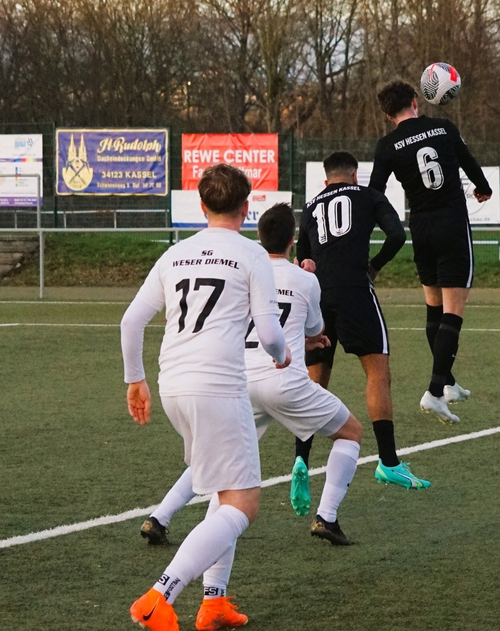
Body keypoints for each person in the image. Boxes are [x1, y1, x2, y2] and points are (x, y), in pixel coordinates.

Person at [122, 163, 290, 631]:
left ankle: (214, 601)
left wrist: (135, 380)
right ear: (246, 208)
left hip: (172, 383)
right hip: (218, 386)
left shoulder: (176, 252)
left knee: (222, 491)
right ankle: (160, 597)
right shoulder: (251, 253)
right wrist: (282, 356)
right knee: (243, 504)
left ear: (201, 206)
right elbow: (270, 332)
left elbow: (131, 322)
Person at [139, 203, 366, 551]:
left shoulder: (243, 269)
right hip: (283, 380)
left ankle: (159, 517)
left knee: (213, 455)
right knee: (351, 433)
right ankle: (327, 517)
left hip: (241, 381)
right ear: (292, 240)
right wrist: (308, 296)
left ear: (259, 237)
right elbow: (315, 328)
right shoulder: (305, 278)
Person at [296, 151, 429, 490]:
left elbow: (302, 259)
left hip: (318, 294)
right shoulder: (369, 195)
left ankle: (301, 459)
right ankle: (389, 462)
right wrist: (375, 266)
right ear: (355, 175)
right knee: (377, 373)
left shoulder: (311, 206)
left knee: (314, 383)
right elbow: (397, 235)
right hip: (355, 290)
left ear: (326, 180)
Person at [369, 80, 493, 424]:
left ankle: (448, 383)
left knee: (434, 307)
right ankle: (435, 391)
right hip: (451, 223)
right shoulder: (443, 127)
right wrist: (483, 188)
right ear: (415, 101)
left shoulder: (387, 145)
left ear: (387, 115)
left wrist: (378, 224)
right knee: (453, 311)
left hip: (421, 228)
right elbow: (468, 162)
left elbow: (375, 192)